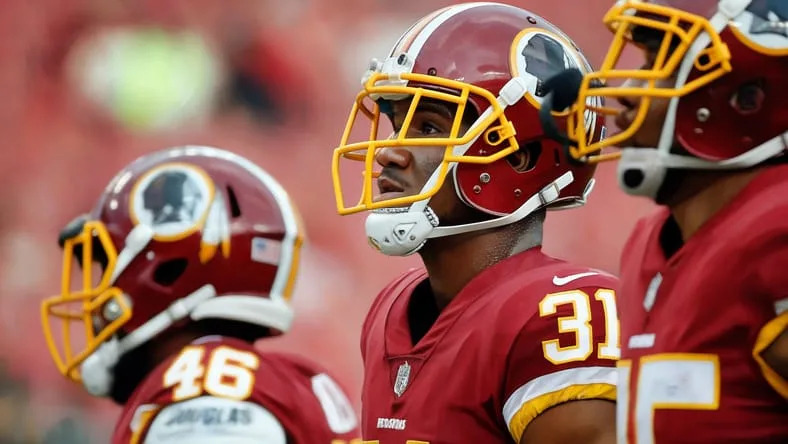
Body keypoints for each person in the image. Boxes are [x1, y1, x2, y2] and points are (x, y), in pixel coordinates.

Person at [331, 3, 619, 443]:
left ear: (519, 159)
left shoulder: (565, 314)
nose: (389, 151)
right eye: (396, 125)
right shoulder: (393, 308)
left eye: (428, 126)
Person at [552, 0, 788, 442]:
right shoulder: (651, 240)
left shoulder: (776, 228)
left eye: (662, 66)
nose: (626, 90)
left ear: (749, 97)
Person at [41, 146, 360, 443]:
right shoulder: (293, 382)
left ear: (168, 270)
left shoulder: (205, 384)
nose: (97, 295)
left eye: (106, 267)